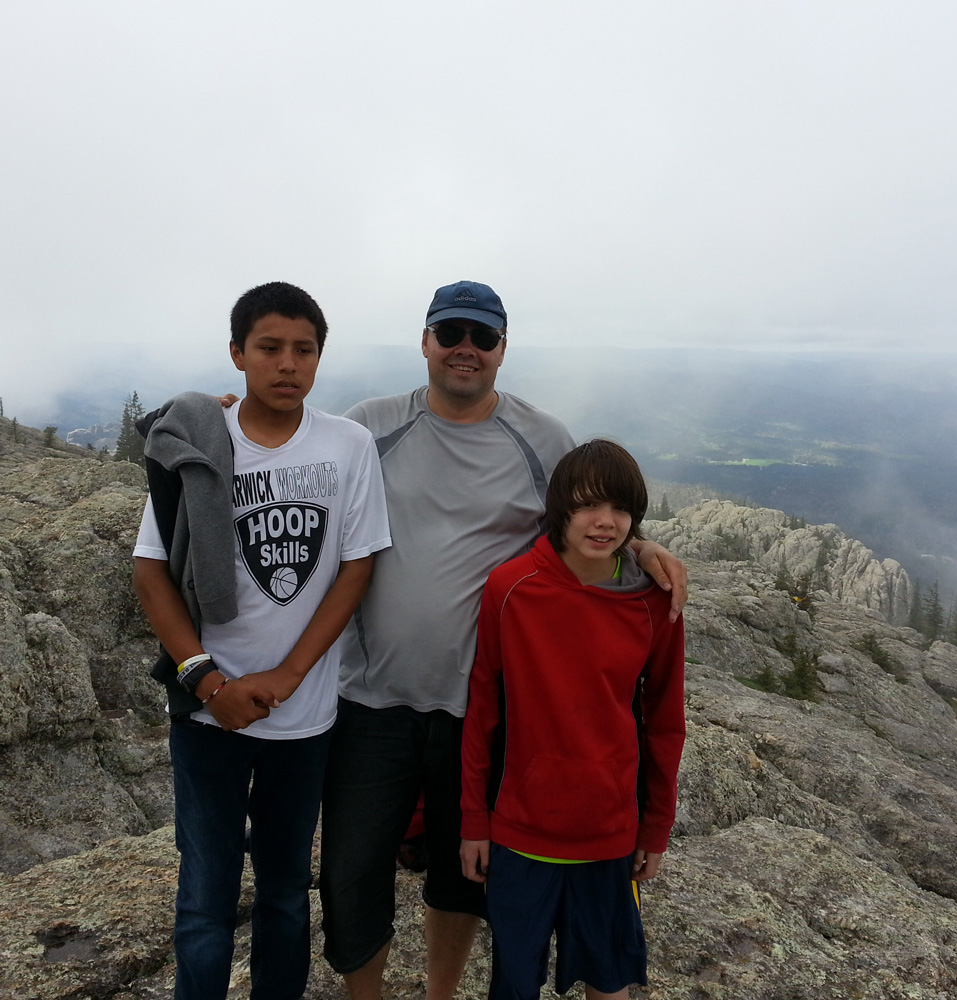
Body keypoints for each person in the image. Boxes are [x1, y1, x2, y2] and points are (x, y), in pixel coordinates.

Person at [317, 280, 687, 1000]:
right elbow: (292, 462)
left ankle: (439, 995)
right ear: (425, 341)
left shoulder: (540, 437)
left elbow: (593, 505)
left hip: (477, 709)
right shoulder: (369, 426)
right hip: (371, 699)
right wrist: (228, 418)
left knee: (461, 880)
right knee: (351, 872)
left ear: (502, 350)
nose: (466, 349)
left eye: (482, 338)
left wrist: (640, 548)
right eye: (451, 333)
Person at [132, 281, 392, 1000]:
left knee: (283, 890)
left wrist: (285, 675)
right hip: (205, 715)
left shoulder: (347, 445)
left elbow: (356, 565)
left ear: (319, 357)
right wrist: (207, 681)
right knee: (205, 897)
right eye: (270, 348)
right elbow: (151, 569)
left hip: (301, 719)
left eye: (303, 350)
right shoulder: (199, 443)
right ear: (237, 354)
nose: (287, 364)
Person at [459, 438, 686, 1000]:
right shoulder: (510, 588)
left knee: (609, 979)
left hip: (609, 832)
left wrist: (655, 827)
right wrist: (474, 823)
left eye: (619, 510)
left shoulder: (654, 602)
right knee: (514, 983)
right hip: (520, 831)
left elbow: (664, 719)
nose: (603, 522)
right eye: (587, 505)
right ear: (560, 508)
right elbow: (482, 709)